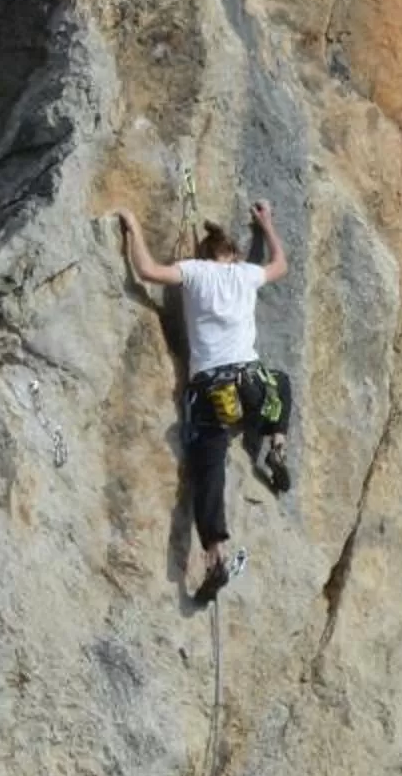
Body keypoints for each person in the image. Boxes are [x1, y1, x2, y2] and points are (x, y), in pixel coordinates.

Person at [116, 198, 290, 600]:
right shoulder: (246, 274)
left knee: (209, 471)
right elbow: (280, 264)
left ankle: (215, 554)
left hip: (211, 391)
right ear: (233, 253)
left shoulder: (193, 272)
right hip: (251, 385)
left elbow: (146, 270)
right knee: (280, 383)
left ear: (204, 254)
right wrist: (267, 223)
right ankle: (277, 444)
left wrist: (132, 224)